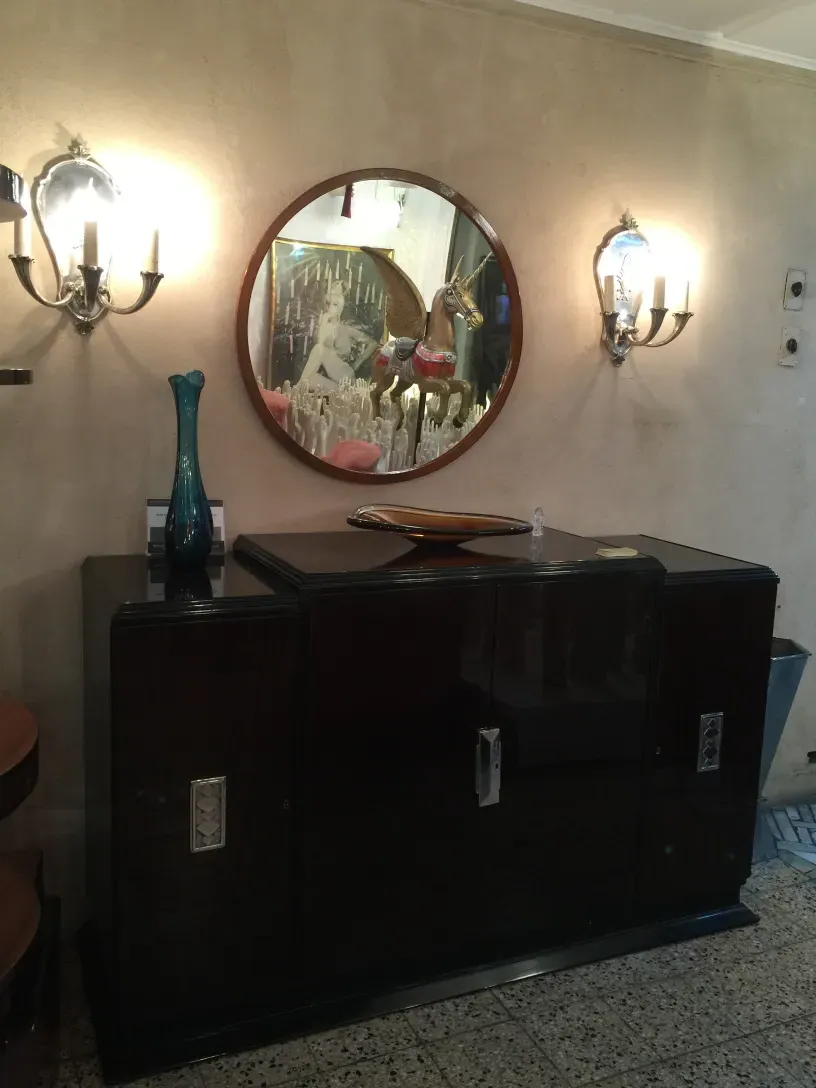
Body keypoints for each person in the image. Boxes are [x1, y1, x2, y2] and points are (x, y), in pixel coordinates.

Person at [300, 279, 377, 388]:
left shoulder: (348, 328)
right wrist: (324, 322)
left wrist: (357, 363)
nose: (330, 307)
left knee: (318, 349)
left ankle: (295, 390)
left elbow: (373, 343)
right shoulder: (325, 324)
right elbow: (320, 344)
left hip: (345, 373)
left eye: (335, 304)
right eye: (329, 303)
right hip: (332, 376)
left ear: (341, 307)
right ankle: (344, 392)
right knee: (308, 380)